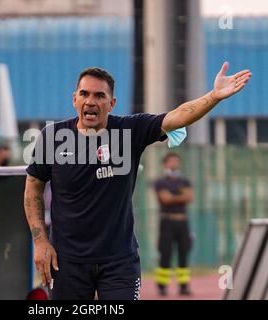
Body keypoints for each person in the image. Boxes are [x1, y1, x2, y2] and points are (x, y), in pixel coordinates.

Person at [24, 65, 251, 300]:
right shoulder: (52, 137)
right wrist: (40, 242)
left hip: (118, 261)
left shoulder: (130, 130)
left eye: (100, 96)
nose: (90, 101)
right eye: (84, 94)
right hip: (67, 260)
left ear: (112, 104)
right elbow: (33, 187)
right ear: (74, 99)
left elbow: (177, 116)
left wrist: (213, 96)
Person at [153, 152, 193, 296]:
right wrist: (180, 196)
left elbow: (189, 197)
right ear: (165, 164)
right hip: (167, 221)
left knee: (184, 253)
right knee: (165, 253)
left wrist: (173, 196)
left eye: (176, 161)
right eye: (171, 161)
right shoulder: (160, 182)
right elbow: (165, 199)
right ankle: (162, 286)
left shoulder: (185, 181)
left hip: (183, 222)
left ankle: (184, 286)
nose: (174, 164)